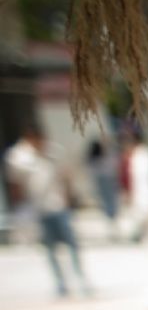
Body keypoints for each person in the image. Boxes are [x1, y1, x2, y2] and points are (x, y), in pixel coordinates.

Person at [5, 124, 91, 298]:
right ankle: (61, 283)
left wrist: (69, 197)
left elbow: (66, 176)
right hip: (38, 208)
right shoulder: (19, 157)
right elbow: (15, 184)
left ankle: (81, 278)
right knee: (50, 248)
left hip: (58, 204)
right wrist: (19, 206)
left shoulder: (54, 152)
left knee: (72, 244)